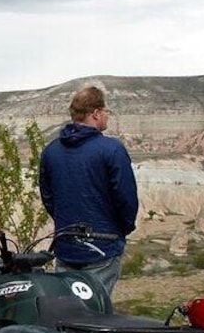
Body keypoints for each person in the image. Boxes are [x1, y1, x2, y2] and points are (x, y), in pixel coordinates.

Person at [39, 86, 138, 295]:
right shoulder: (111, 149)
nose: (107, 116)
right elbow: (126, 199)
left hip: (66, 245)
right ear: (95, 113)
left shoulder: (51, 151)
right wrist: (121, 230)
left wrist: (66, 224)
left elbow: (48, 198)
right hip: (104, 245)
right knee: (97, 313)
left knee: (68, 310)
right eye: (105, 111)